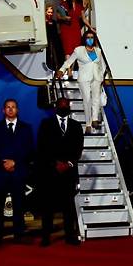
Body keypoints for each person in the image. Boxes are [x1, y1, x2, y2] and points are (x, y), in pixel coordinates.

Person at [37, 97, 84, 247]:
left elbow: (78, 148)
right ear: (56, 107)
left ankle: (70, 236)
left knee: (68, 207)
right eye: (61, 105)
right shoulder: (46, 125)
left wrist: (69, 163)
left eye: (66, 105)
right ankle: (46, 237)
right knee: (47, 206)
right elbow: (41, 147)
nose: (64, 107)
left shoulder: (76, 126)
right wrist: (55, 163)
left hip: (68, 173)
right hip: (50, 172)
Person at [0, 98, 35, 245]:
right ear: (3, 110)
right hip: (0, 173)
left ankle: (19, 234)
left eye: (13, 107)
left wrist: (15, 163)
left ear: (17, 110)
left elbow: (29, 150)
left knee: (19, 205)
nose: (10, 109)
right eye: (7, 107)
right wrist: (4, 163)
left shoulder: (26, 128)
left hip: (18, 172)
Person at [56, 29, 106, 134]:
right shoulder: (79, 50)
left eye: (92, 38)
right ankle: (88, 124)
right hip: (84, 78)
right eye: (88, 38)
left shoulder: (98, 51)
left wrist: (101, 77)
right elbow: (69, 61)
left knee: (96, 99)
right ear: (84, 39)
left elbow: (102, 65)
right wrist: (61, 70)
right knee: (87, 100)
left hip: (96, 78)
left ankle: (94, 119)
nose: (90, 40)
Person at [57, 0, 95, 79]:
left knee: (75, 51)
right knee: (67, 50)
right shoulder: (64, 4)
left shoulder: (80, 6)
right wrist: (64, 17)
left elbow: (83, 19)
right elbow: (58, 16)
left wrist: (90, 27)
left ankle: (70, 70)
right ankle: (69, 71)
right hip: (66, 28)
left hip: (75, 29)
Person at [45, 4, 65, 72]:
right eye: (49, 12)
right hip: (47, 41)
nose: (50, 14)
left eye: (51, 12)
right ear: (45, 12)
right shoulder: (43, 22)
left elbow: (56, 32)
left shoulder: (53, 22)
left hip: (54, 40)